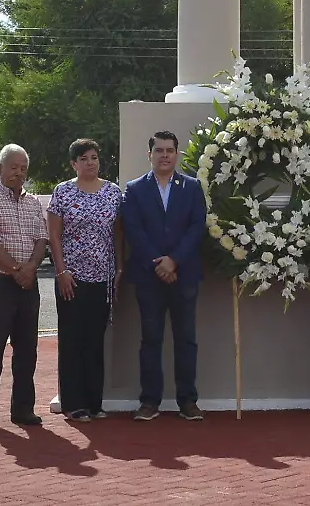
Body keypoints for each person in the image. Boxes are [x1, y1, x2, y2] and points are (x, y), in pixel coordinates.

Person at [120, 131, 207, 422]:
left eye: (170, 150)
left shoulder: (193, 187)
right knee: (150, 340)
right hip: (148, 276)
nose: (165, 155)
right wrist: (158, 263)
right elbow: (133, 230)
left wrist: (174, 261)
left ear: (177, 154)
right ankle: (149, 401)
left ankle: (188, 401)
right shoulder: (134, 189)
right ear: (150, 155)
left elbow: (197, 227)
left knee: (186, 340)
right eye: (159, 150)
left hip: (184, 275)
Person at [0, 144, 49, 430]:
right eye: (13, 167)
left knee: (27, 350)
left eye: (23, 168)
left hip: (28, 285)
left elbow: (41, 240)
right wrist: (16, 269)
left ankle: (23, 409)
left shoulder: (32, 204)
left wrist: (30, 268)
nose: (19, 173)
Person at [47, 138, 123, 422]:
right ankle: (73, 403)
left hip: (102, 279)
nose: (90, 162)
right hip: (72, 278)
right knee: (72, 339)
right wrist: (61, 271)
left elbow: (118, 234)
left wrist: (119, 270)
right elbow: (54, 235)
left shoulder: (113, 193)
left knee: (95, 340)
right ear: (73, 164)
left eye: (94, 157)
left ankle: (94, 402)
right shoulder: (63, 192)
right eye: (84, 158)